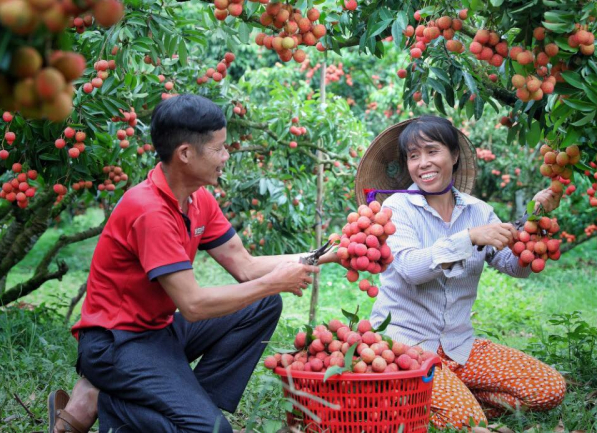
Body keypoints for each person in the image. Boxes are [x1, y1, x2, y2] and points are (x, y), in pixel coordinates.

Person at [49, 94, 333, 433]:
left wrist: (324, 253)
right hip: (116, 344)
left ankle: (195, 407)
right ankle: (110, 401)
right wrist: (276, 281)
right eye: (219, 149)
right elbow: (194, 305)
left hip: (159, 332)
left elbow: (244, 265)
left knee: (263, 304)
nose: (226, 156)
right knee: (211, 431)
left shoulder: (197, 198)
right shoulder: (150, 211)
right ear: (185, 153)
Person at [354, 115, 566, 429]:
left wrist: (533, 222)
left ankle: (438, 396)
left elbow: (513, 266)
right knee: (465, 421)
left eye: (431, 151)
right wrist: (467, 238)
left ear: (453, 156)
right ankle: (424, 397)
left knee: (549, 389)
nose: (423, 163)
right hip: (404, 346)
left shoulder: (478, 210)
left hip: (459, 348)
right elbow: (411, 268)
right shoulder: (396, 208)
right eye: (414, 156)